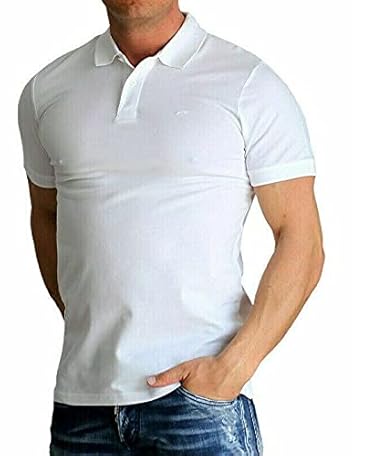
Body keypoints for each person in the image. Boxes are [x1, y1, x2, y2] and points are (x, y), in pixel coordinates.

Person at [17, 1, 325, 454]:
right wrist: (93, 322)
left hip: (200, 407)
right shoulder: (47, 90)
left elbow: (302, 239)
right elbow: (47, 214)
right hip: (82, 407)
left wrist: (230, 371)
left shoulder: (248, 84)